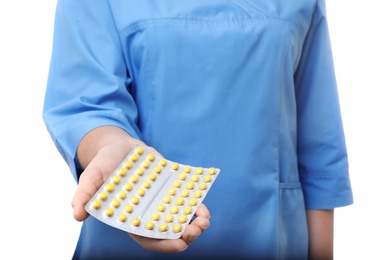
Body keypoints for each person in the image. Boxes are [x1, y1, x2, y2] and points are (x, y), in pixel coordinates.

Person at [43, 0, 353, 259]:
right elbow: (86, 106)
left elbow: (319, 150)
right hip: (126, 237)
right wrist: (115, 147)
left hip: (269, 239)